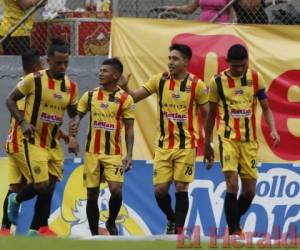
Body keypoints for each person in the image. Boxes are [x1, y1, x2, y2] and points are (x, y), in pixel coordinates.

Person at [118, 44, 209, 234]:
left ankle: (179, 233)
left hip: (186, 146)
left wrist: (208, 143)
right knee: (160, 190)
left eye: (175, 59)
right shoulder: (159, 80)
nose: (170, 62)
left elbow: (207, 115)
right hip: (163, 146)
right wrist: (126, 87)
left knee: (182, 187)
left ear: (186, 61)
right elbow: (134, 97)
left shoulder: (197, 85)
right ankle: (171, 218)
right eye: (169, 58)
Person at [203, 44, 280, 236]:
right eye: (235, 66)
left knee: (249, 192)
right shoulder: (217, 82)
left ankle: (233, 223)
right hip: (227, 138)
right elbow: (211, 115)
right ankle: (235, 231)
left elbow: (266, 108)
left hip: (249, 141)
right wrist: (207, 144)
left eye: (242, 65)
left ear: (247, 62)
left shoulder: (255, 78)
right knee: (232, 184)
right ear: (228, 63)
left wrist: (273, 129)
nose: (239, 69)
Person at [5, 38, 79, 236]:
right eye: (58, 63)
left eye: (66, 63)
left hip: (53, 144)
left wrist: (72, 137)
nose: (62, 67)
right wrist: (23, 122)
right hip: (34, 141)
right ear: (48, 61)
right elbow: (10, 100)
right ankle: (16, 200)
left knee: (49, 187)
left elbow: (73, 114)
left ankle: (34, 231)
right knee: (41, 185)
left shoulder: (71, 87)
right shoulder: (34, 80)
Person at [70, 58, 134, 236]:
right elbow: (76, 117)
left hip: (113, 153)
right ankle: (94, 235)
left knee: (116, 190)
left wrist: (129, 154)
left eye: (105, 71)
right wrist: (73, 134)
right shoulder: (90, 96)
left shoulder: (125, 99)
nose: (100, 73)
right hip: (92, 153)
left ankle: (111, 221)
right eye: (100, 70)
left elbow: (129, 129)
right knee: (92, 194)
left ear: (115, 75)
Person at [0, 50, 43, 236]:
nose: (44, 68)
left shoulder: (27, 84)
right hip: (20, 144)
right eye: (42, 65)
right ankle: (36, 229)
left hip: (14, 143)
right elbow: (21, 115)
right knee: (42, 183)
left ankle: (4, 230)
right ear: (35, 68)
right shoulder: (28, 87)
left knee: (14, 186)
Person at [165, 0, 236, 23]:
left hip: (220, 26)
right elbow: (190, 9)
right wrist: (174, 8)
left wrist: (232, 25)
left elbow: (232, 12)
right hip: (203, 25)